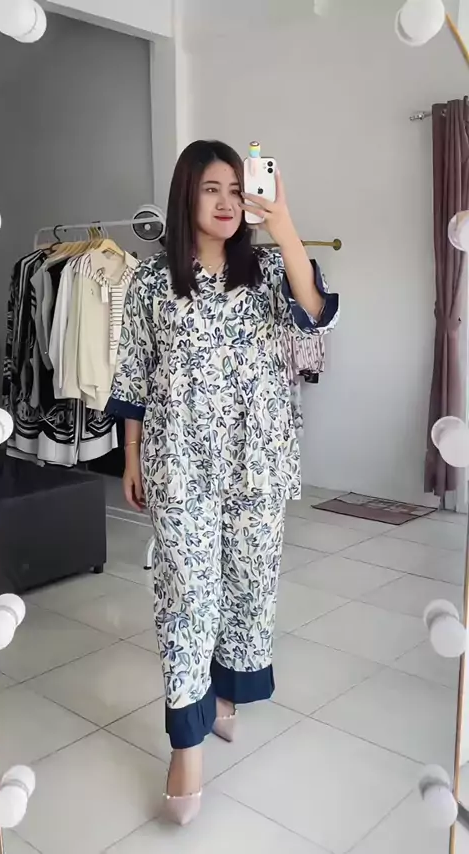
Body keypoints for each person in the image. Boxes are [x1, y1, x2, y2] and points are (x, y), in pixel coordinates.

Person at [107, 140, 339, 825]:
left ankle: (227, 691)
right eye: (213, 188)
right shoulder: (151, 282)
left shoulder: (266, 270)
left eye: (237, 189)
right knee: (185, 594)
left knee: (247, 584)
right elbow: (134, 373)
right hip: (178, 460)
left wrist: (283, 221)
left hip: (257, 459)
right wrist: (131, 457)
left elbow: (316, 311)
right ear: (187, 195)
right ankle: (187, 744)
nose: (228, 201)